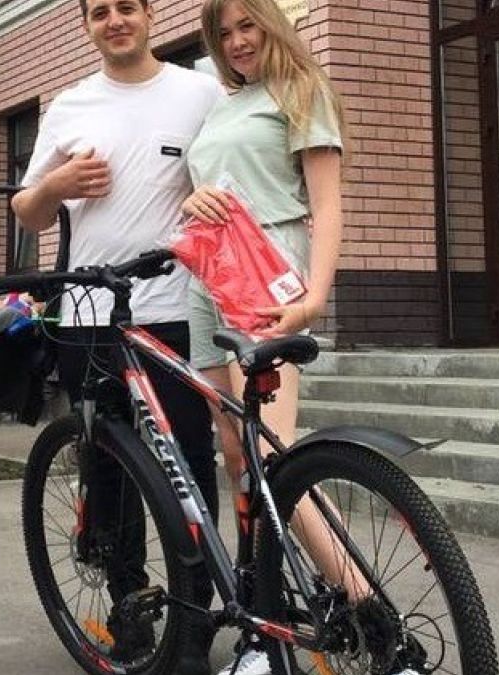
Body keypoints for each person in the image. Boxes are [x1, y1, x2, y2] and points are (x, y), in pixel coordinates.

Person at [182, 1, 419, 674]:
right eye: (224, 33)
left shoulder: (302, 90)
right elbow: (213, 187)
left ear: (272, 23)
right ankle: (267, 627)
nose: (237, 41)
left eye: (247, 26)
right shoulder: (224, 105)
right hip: (207, 280)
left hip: (266, 276)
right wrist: (191, 200)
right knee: (237, 456)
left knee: (271, 455)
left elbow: (328, 202)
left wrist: (314, 296)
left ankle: (379, 624)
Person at [11, 1, 225, 673]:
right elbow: (27, 210)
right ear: (87, 25)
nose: (115, 20)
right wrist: (57, 184)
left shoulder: (199, 92)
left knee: (189, 461)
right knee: (107, 466)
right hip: (87, 317)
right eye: (99, 11)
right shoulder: (70, 105)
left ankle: (194, 620)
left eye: (126, 6)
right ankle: (130, 608)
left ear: (149, 13)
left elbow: (228, 176)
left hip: (173, 309)